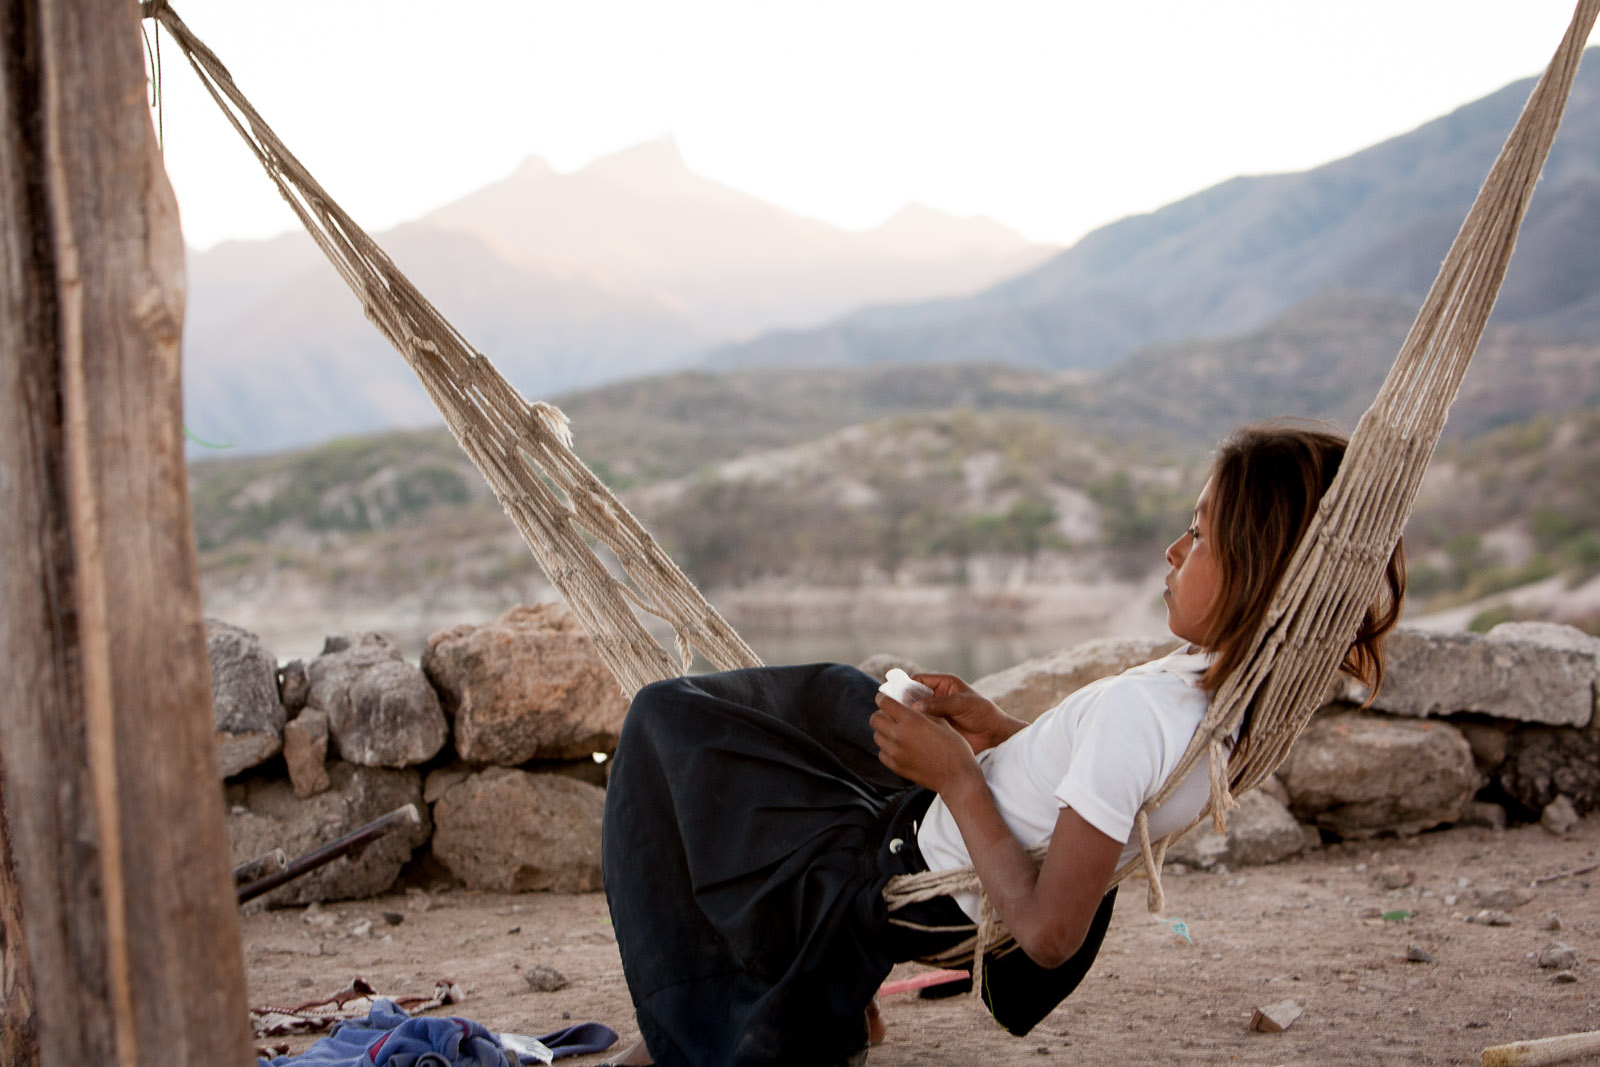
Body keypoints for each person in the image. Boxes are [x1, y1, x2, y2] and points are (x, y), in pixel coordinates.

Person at [600, 421, 1406, 1067]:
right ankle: (822, 986)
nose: (1173, 550)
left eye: (1198, 535)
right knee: (844, 695)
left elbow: (1049, 937)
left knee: (671, 723)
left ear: (1258, 570)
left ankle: (711, 1019)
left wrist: (955, 774)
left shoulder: (1148, 711)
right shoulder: (1217, 702)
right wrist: (991, 730)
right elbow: (1091, 794)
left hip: (903, 867)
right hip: (933, 822)